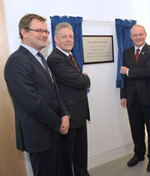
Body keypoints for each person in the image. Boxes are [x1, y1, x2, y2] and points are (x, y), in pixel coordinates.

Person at [4, 14, 70, 176]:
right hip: (40, 135)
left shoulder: (40, 58)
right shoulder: (17, 61)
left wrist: (65, 114)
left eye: (46, 31)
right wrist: (58, 123)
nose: (44, 35)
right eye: (39, 30)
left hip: (54, 129)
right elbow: (33, 102)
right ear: (24, 33)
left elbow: (54, 91)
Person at [47, 22, 91, 176]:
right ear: (56, 39)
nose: (68, 39)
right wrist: (84, 78)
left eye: (71, 36)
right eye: (64, 36)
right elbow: (81, 81)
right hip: (68, 116)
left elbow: (78, 80)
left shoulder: (69, 55)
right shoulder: (55, 59)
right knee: (67, 158)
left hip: (79, 113)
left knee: (80, 154)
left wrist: (82, 78)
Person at [120, 24, 150, 172]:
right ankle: (139, 154)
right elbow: (123, 76)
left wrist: (129, 71)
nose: (138, 37)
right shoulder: (126, 52)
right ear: (131, 37)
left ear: (145, 35)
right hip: (131, 98)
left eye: (140, 34)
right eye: (135, 35)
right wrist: (123, 95)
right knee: (136, 129)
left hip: (148, 98)